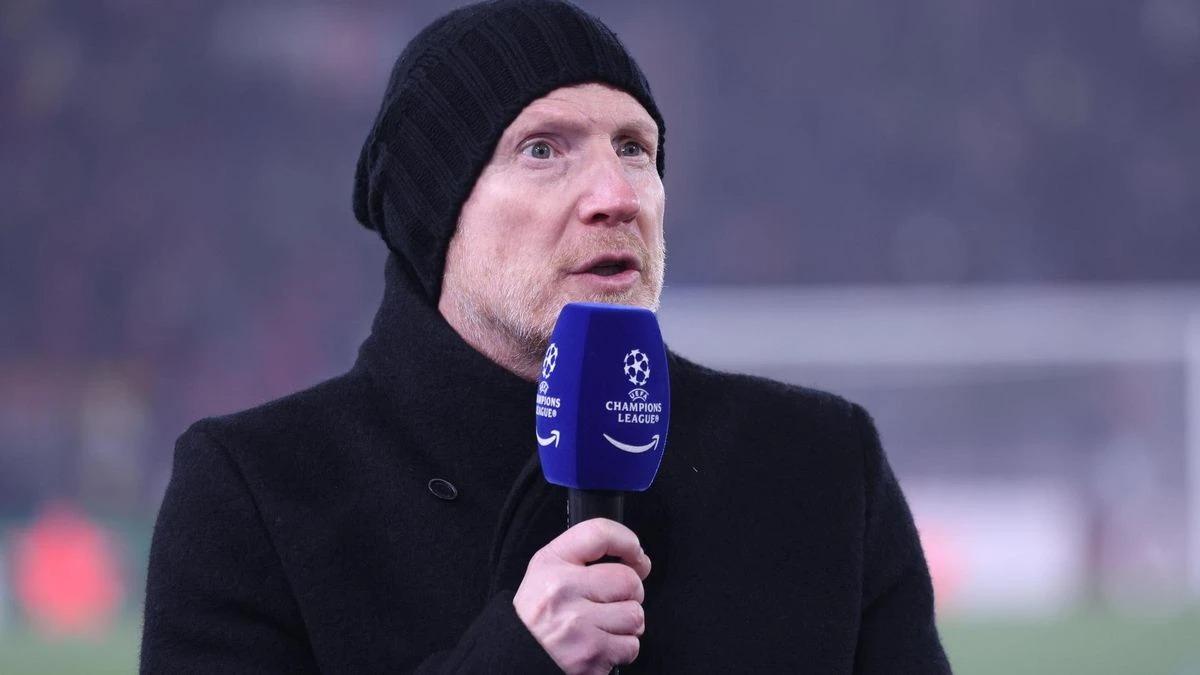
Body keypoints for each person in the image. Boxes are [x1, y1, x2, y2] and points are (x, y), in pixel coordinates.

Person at [140, 1, 951, 673]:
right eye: (542, 149)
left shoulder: (820, 465)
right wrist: (512, 658)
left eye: (634, 148)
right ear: (436, 213)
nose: (616, 194)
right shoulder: (258, 492)